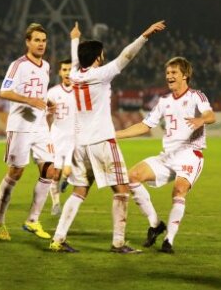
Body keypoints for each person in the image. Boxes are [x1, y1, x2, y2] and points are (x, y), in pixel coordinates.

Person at [49, 20, 166, 253]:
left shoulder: (74, 75)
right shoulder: (102, 74)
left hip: (79, 144)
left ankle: (57, 239)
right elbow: (127, 55)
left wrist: (74, 39)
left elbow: (75, 60)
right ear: (98, 57)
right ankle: (118, 243)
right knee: (122, 191)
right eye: (102, 53)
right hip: (102, 141)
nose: (104, 56)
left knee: (80, 191)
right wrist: (144, 35)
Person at [116, 57, 215, 253]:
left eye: (174, 73)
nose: (169, 76)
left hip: (190, 153)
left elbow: (211, 116)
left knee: (178, 191)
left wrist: (199, 120)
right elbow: (145, 125)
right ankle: (155, 224)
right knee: (132, 177)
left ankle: (168, 240)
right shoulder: (163, 101)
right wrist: (116, 134)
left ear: (185, 75)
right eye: (167, 73)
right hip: (167, 156)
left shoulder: (197, 96)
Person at [0, 23, 56, 241]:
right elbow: (4, 91)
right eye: (36, 40)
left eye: (44, 40)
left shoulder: (46, 66)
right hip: (20, 127)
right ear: (28, 42)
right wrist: (29, 100)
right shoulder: (18, 65)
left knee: (49, 170)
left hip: (40, 127)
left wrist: (47, 106)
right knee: (16, 173)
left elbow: (40, 96)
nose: (41, 44)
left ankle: (33, 220)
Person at [46, 58, 75, 216]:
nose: (67, 73)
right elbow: (46, 117)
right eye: (64, 70)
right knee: (55, 174)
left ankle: (68, 181)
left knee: (68, 171)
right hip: (56, 138)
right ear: (60, 72)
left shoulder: (79, 92)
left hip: (74, 139)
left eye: (70, 69)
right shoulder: (52, 93)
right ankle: (56, 203)